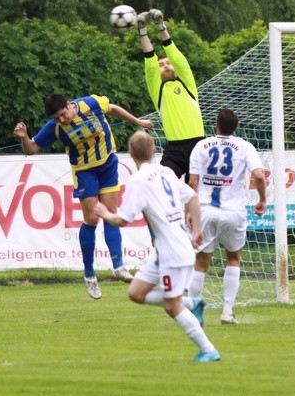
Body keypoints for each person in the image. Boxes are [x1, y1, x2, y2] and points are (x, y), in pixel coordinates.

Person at [94, 131, 221, 363]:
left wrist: (104, 212)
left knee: (171, 306)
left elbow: (123, 219)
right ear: (154, 152)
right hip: (168, 248)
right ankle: (193, 303)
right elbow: (193, 196)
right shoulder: (166, 172)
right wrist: (197, 230)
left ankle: (209, 350)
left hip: (173, 252)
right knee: (136, 293)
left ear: (131, 154)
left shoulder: (137, 180)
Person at [14, 93, 153, 300]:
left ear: (70, 105)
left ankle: (118, 266)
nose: (61, 120)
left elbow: (113, 108)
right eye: (57, 118)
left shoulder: (91, 104)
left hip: (107, 164)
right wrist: (24, 137)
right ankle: (89, 274)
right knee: (91, 218)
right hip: (84, 171)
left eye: (62, 114)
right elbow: (32, 149)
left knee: (111, 213)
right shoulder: (55, 127)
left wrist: (137, 121)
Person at [187, 108, 267, 325]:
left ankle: (194, 312)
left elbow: (192, 183)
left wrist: (188, 211)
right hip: (234, 212)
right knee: (233, 259)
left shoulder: (201, 146)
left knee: (201, 262)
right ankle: (227, 312)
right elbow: (259, 175)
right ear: (236, 126)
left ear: (216, 125)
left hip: (205, 211)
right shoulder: (244, 146)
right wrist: (262, 199)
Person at [137, 8, 205, 182]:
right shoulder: (158, 89)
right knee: (163, 186)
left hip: (198, 145)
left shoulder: (187, 83)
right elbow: (150, 62)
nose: (166, 66)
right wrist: (143, 31)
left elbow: (177, 58)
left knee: (195, 190)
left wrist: (160, 26)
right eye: (162, 64)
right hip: (174, 149)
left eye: (168, 63)